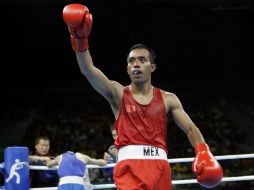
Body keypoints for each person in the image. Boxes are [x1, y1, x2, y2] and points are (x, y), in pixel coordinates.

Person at [62, 4, 224, 190]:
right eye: (131, 61)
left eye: (142, 60)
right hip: (130, 169)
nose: (136, 64)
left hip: (160, 168)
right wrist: (79, 39)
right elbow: (88, 70)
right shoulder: (118, 93)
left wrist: (203, 151)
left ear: (152, 67)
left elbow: (190, 129)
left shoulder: (168, 99)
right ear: (127, 69)